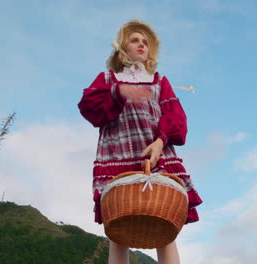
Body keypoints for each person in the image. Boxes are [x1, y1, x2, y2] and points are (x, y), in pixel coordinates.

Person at [78, 19, 202, 264]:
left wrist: (160, 140)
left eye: (145, 41)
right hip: (118, 154)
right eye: (135, 40)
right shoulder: (108, 79)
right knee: (118, 226)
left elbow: (177, 118)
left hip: (155, 152)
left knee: (163, 223)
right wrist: (118, 91)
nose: (141, 44)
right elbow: (88, 107)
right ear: (122, 46)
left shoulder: (159, 81)